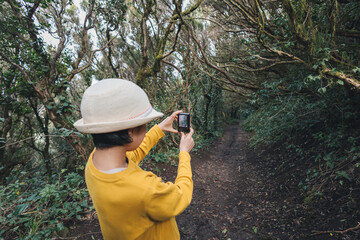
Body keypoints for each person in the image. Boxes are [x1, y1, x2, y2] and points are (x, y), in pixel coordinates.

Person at [74, 78, 195, 240]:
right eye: (145, 125)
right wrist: (184, 153)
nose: (146, 129)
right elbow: (181, 195)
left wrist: (159, 128)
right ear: (131, 131)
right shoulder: (144, 189)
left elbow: (133, 153)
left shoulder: (94, 163)